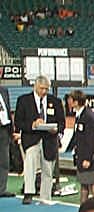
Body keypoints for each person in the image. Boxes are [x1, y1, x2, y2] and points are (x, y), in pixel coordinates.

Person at [14, 75, 65, 204]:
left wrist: (56, 129)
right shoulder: (23, 100)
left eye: (46, 89)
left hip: (49, 140)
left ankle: (45, 197)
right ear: (35, 86)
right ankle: (29, 192)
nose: (44, 91)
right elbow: (18, 122)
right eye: (42, 88)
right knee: (30, 166)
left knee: (48, 170)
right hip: (31, 139)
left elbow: (62, 123)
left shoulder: (55, 101)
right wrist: (32, 125)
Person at [68, 90, 94, 202]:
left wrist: (88, 158)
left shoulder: (88, 117)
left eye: (70, 99)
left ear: (76, 102)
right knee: (84, 183)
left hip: (89, 156)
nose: (68, 102)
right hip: (82, 155)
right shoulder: (79, 115)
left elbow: (91, 139)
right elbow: (77, 135)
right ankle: (84, 208)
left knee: (93, 182)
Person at [0, 83, 16, 197]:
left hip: (4, 129)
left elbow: (7, 110)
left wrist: (11, 130)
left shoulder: (4, 91)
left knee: (4, 161)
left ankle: (2, 189)